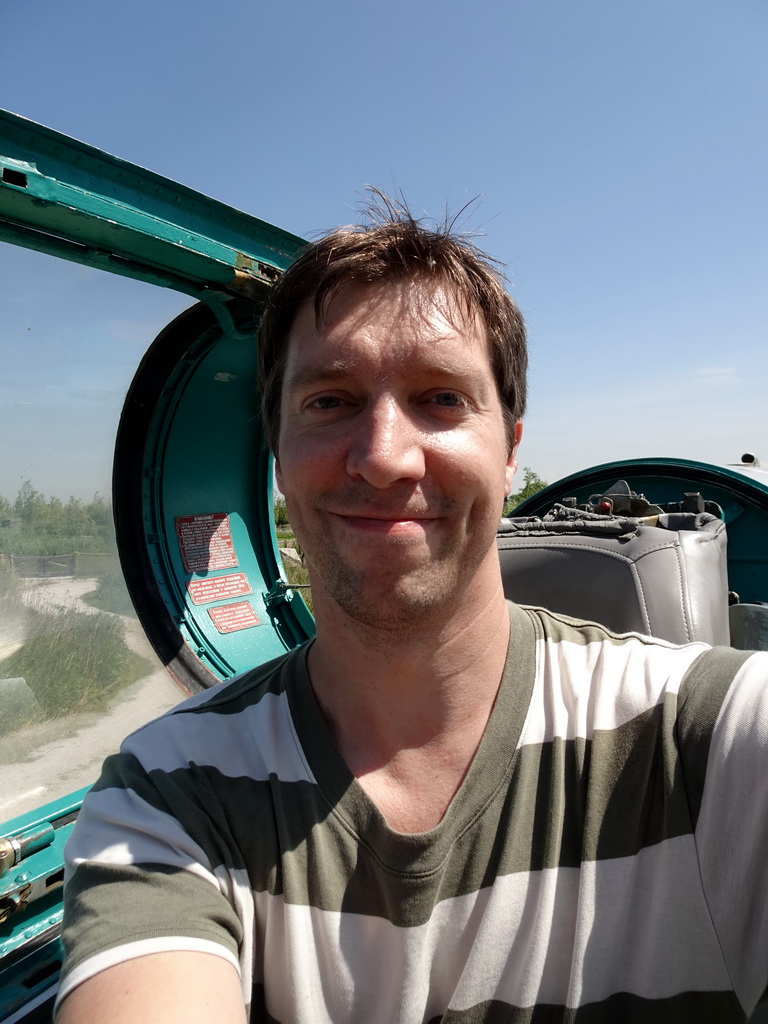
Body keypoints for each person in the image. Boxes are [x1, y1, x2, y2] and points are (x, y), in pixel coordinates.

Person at [56, 200, 768, 1024]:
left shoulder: (714, 739)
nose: (385, 457)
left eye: (439, 399)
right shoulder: (169, 796)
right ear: (278, 455)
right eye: (329, 400)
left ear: (510, 453)